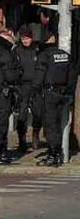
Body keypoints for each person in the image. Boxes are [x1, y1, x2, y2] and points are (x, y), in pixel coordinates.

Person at [33, 33, 76, 167]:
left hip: (50, 94)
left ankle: (54, 154)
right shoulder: (64, 55)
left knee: (50, 125)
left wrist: (33, 94)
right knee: (59, 124)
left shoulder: (44, 56)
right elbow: (72, 76)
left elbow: (38, 79)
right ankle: (57, 153)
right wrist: (69, 93)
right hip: (63, 94)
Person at [0, 29, 22, 166]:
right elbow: (10, 75)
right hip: (2, 92)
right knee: (1, 125)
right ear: (7, 38)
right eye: (12, 36)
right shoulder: (5, 53)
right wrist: (18, 73)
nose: (13, 39)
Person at [13, 26, 41, 152]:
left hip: (36, 86)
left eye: (27, 38)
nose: (25, 41)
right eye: (23, 38)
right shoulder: (16, 50)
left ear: (31, 38)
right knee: (22, 114)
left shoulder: (37, 49)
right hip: (22, 86)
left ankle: (35, 135)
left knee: (38, 112)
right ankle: (22, 140)